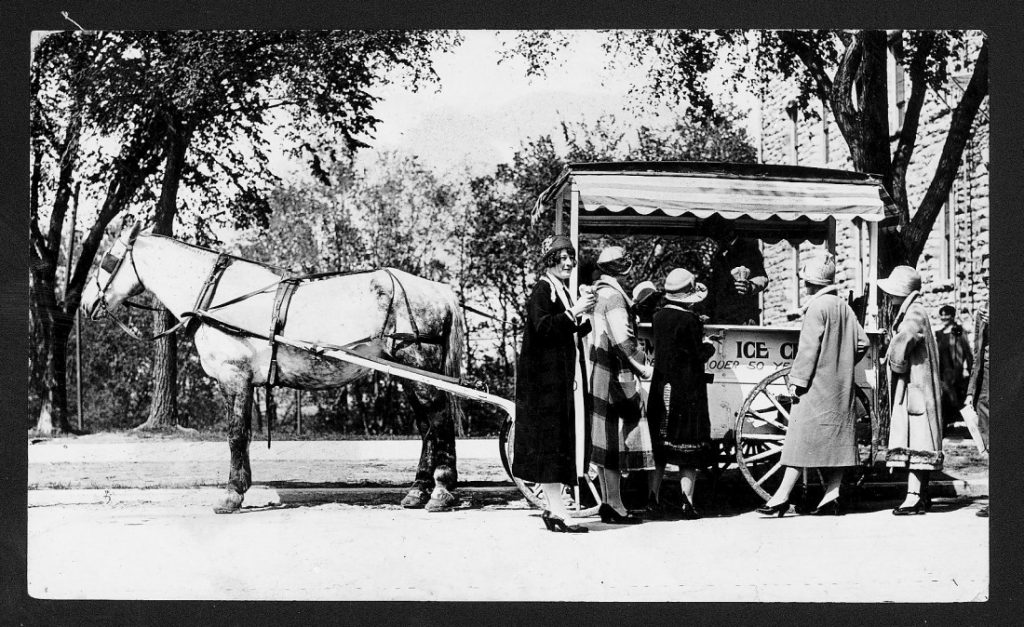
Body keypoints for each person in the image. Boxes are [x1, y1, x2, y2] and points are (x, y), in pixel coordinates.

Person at [757, 252, 869, 517]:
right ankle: (832, 495)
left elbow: (808, 351)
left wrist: (797, 382)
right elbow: (862, 343)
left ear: (811, 283)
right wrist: (841, 363)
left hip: (814, 386)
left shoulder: (816, 308)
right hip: (840, 387)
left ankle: (781, 497)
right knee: (838, 440)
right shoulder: (843, 306)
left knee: (799, 440)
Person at [512, 235, 596, 533]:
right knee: (552, 445)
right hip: (544, 384)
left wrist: (584, 311)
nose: (568, 264)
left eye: (571, 259)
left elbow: (568, 328)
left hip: (558, 381)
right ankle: (559, 512)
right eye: (561, 259)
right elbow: (544, 326)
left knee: (556, 445)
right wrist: (575, 312)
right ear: (549, 262)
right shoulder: (543, 289)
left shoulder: (559, 290)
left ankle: (554, 510)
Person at [589, 245, 654, 525]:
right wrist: (643, 365)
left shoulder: (596, 292)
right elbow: (623, 340)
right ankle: (616, 505)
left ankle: (608, 501)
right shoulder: (614, 297)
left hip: (598, 368)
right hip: (616, 371)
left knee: (603, 439)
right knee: (614, 440)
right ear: (623, 270)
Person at [646, 268, 714, 520]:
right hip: (687, 392)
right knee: (688, 450)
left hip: (663, 387)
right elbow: (697, 355)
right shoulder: (691, 321)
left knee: (660, 449)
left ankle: (652, 498)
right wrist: (710, 345)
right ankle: (687, 501)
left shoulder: (658, 317)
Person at [878, 266, 944, 516]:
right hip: (920, 385)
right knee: (920, 440)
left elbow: (905, 338)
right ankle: (921, 494)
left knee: (917, 441)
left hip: (916, 386)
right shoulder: (917, 309)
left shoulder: (913, 312)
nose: (890, 296)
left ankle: (913, 496)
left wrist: (896, 363)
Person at [701, 219, 769, 325]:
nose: (713, 237)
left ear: (729, 230)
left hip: (742, 318)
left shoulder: (748, 248)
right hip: (721, 317)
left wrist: (750, 286)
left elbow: (762, 278)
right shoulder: (719, 254)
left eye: (716, 232)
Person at [964, 287, 989, 517]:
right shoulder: (983, 313)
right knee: (990, 442)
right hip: (988, 383)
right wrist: (971, 391)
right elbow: (978, 354)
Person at [935, 304, 973, 433]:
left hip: (954, 370)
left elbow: (966, 350)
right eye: (942, 314)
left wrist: (967, 368)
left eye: (947, 314)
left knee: (953, 398)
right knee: (942, 398)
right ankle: (943, 426)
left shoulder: (957, 330)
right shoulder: (939, 333)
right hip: (941, 370)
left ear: (952, 316)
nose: (944, 317)